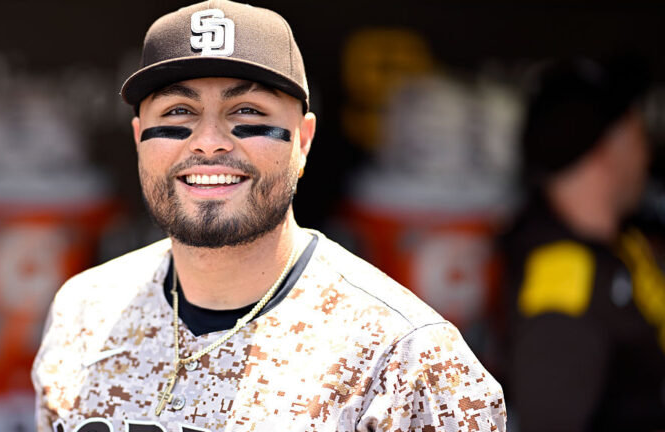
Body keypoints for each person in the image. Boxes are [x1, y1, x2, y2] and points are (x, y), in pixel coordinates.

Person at [31, 1, 506, 431]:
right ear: (138, 138)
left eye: (247, 110)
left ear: (303, 140)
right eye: (178, 111)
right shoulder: (84, 312)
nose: (209, 141)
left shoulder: (405, 357)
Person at [500, 57, 665, 431]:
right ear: (604, 154)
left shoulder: (618, 245)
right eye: (639, 136)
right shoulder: (563, 286)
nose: (646, 155)